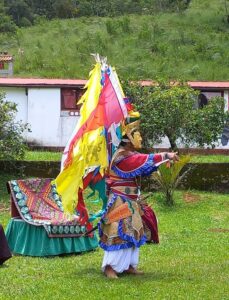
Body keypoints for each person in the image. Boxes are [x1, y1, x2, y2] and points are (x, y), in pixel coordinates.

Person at [98, 117, 179, 279]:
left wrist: (163, 160)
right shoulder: (121, 157)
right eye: (138, 135)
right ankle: (110, 267)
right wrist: (165, 155)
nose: (140, 138)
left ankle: (128, 265)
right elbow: (140, 161)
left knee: (133, 231)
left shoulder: (130, 154)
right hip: (120, 201)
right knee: (117, 233)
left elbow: (142, 166)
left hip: (131, 200)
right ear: (128, 139)